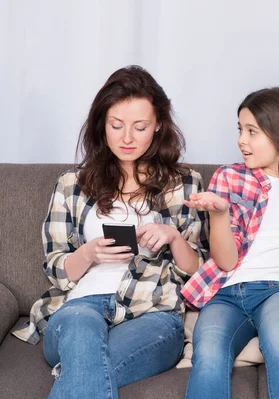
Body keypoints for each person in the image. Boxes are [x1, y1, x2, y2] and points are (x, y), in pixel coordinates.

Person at [11, 65, 209, 398]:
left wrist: (173, 237)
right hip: (78, 309)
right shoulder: (71, 185)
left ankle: (74, 373)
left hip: (152, 314)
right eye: (116, 126)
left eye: (140, 127)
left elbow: (198, 270)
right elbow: (56, 268)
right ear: (102, 125)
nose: (127, 138)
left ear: (159, 125)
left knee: (84, 368)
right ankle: (79, 368)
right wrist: (88, 253)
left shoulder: (184, 184)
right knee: (81, 330)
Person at [182, 87, 279, 399]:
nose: (241, 140)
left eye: (252, 131)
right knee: (207, 348)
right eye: (240, 130)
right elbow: (226, 262)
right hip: (227, 293)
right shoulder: (228, 177)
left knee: (278, 336)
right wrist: (220, 213)